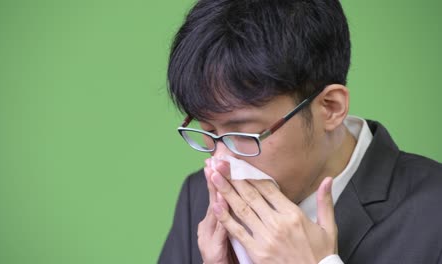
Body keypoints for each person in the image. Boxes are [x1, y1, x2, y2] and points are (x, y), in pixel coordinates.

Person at [158, 0, 442, 263]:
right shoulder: (198, 198)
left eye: (244, 134)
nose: (219, 165)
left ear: (330, 107)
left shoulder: (434, 212)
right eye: (208, 132)